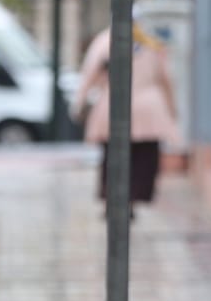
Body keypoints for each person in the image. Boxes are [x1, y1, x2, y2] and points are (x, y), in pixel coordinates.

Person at [73, 11, 181, 211]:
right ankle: (133, 197)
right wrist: (172, 109)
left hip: (114, 105)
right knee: (143, 157)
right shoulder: (151, 44)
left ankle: (112, 198)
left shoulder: (104, 42)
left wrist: (79, 103)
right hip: (149, 109)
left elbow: (89, 74)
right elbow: (166, 79)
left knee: (113, 155)